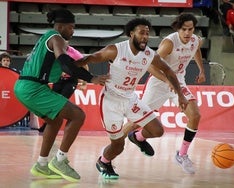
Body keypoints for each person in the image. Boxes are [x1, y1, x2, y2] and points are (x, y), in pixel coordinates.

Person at [77, 18, 188, 179]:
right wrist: (79, 73)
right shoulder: (115, 50)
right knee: (118, 145)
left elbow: (169, 71)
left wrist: (181, 95)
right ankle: (103, 161)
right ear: (131, 34)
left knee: (158, 130)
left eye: (147, 33)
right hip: (111, 101)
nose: (145, 36)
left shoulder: (149, 54)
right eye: (141, 32)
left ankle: (137, 137)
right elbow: (90, 58)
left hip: (130, 99)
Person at [13, 8, 109, 182]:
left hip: (25, 86)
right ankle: (60, 160)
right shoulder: (57, 37)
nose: (73, 31)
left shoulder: (46, 38)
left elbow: (67, 63)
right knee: (78, 115)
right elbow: (65, 64)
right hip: (34, 87)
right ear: (62, 26)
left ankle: (42, 164)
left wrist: (86, 62)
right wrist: (91, 77)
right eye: (71, 28)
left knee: (55, 120)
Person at [140, 13, 206, 174]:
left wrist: (201, 69)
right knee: (138, 121)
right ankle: (128, 143)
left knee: (195, 115)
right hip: (158, 83)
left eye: (190, 29)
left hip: (179, 81)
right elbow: (150, 65)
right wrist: (166, 80)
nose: (187, 33)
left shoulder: (195, 40)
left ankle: (182, 155)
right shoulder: (169, 43)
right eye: (184, 29)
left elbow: (196, 50)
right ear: (178, 29)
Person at [37, 45, 88, 133]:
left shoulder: (74, 53)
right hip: (58, 80)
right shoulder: (55, 51)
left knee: (61, 101)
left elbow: (85, 66)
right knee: (52, 102)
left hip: (71, 81)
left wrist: (84, 83)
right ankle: (48, 124)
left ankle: (58, 125)